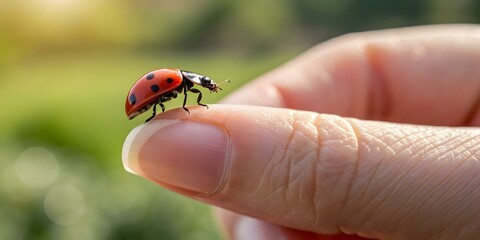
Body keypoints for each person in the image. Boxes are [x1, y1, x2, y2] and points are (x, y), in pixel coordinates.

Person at [122, 25, 480, 239]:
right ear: (196, 81)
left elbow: (170, 93)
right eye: (206, 85)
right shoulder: (180, 81)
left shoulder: (179, 81)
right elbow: (172, 92)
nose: (207, 88)